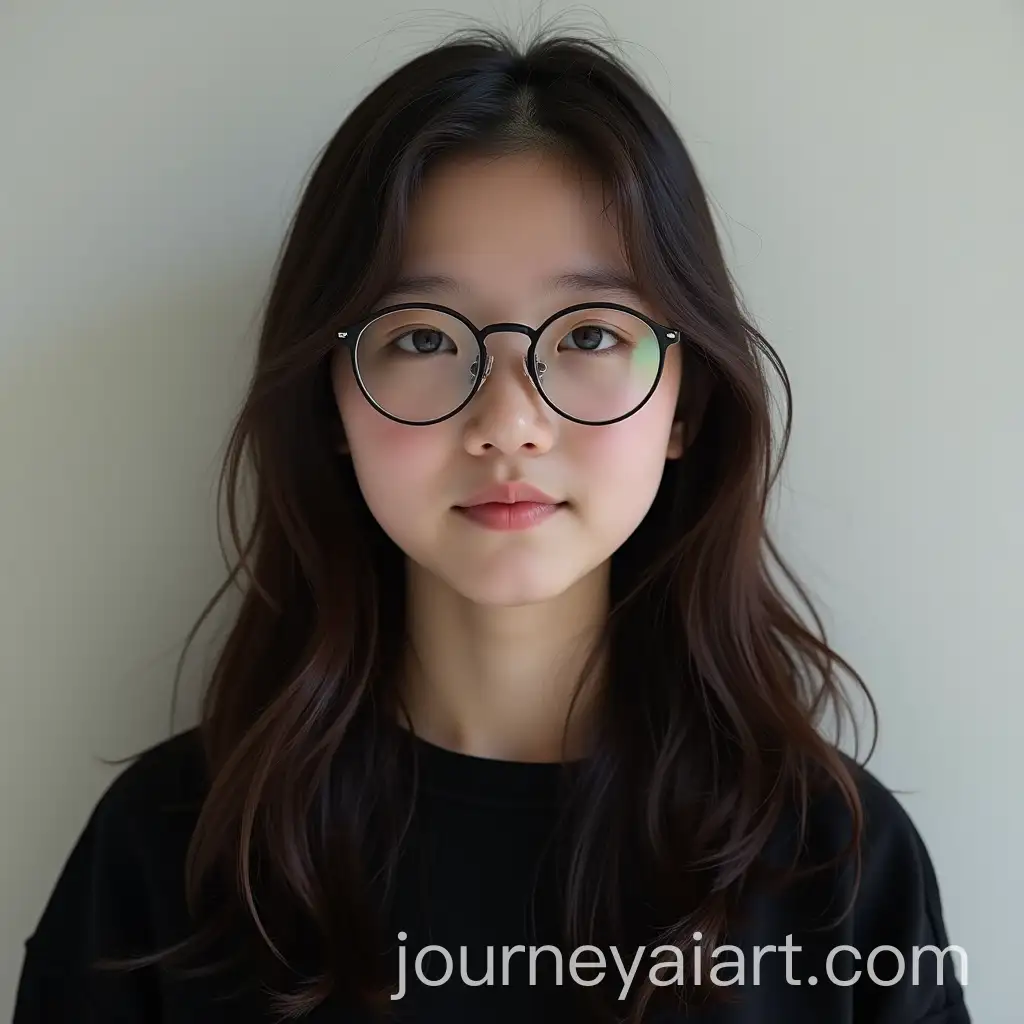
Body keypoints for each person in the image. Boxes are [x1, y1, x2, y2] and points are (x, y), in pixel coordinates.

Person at [13, 24, 971, 1024]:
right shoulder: (172, 856)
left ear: (684, 406)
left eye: (591, 332)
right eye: (423, 336)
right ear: (330, 405)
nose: (508, 421)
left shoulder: (834, 867)